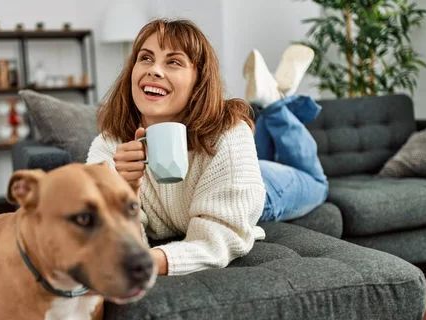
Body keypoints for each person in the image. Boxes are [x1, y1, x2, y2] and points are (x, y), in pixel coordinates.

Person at [86, 18, 327, 276]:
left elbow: (220, 236)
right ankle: (273, 96)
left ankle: (275, 103)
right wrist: (127, 191)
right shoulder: (108, 146)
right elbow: (110, 237)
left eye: (173, 62)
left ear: (198, 80)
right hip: (224, 172)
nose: (154, 70)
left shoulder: (229, 131)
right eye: (145, 58)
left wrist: (148, 262)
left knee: (317, 182)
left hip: (246, 190)